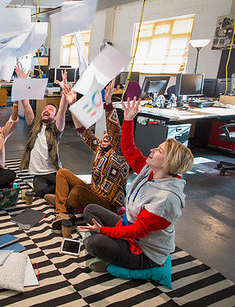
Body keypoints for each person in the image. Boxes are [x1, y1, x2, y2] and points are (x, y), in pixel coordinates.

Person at [79, 97, 194, 272]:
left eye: (159, 151)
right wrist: (128, 120)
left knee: (93, 242)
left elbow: (136, 232)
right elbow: (128, 149)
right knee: (90, 209)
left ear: (168, 162)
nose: (152, 150)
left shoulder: (165, 200)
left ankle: (113, 254)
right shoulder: (149, 170)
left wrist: (103, 231)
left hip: (145, 251)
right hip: (128, 226)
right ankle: (109, 247)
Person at [46, 80, 130, 230]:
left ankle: (62, 208)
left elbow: (114, 129)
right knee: (62, 173)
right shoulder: (99, 147)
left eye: (108, 136)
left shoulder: (119, 152)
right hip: (94, 193)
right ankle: (63, 204)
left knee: (78, 191)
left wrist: (108, 102)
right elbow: (82, 130)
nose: (105, 137)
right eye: (104, 135)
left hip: (109, 206)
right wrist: (72, 104)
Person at [18, 64, 68, 198]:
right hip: (39, 173)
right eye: (45, 108)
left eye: (51, 110)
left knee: (66, 187)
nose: (46, 110)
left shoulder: (56, 130)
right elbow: (26, 104)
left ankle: (63, 189)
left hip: (53, 171)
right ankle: (61, 190)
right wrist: (22, 83)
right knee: (40, 191)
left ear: (55, 117)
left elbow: (62, 112)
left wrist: (64, 92)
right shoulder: (34, 124)